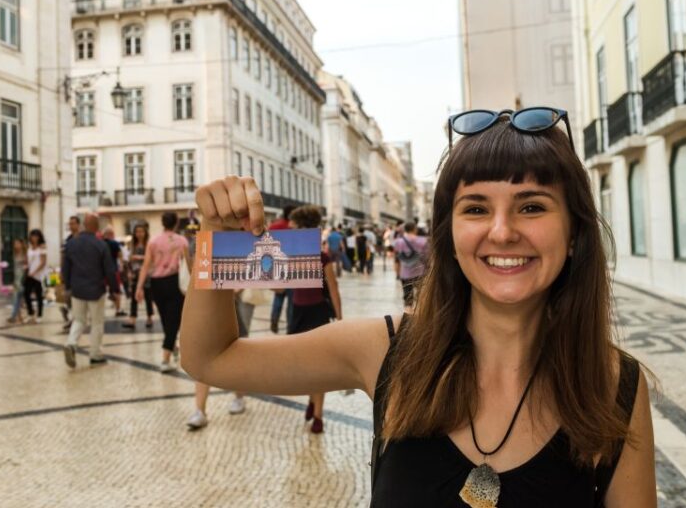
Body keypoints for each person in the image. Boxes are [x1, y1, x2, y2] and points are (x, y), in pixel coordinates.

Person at [181, 109, 655, 507]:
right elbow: (211, 359)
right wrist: (216, 240)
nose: (503, 231)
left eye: (531, 206)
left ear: (573, 233)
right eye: (475, 209)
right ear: (448, 235)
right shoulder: (385, 350)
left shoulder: (614, 385)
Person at [286, 205, 342, 434]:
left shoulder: (321, 257)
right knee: (305, 365)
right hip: (299, 312)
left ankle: (317, 414)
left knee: (318, 367)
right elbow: (278, 287)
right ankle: (312, 401)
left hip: (315, 312)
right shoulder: (293, 255)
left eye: (293, 228)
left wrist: (339, 318)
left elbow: (333, 287)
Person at [186, 291, 255, 430]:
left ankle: (239, 397)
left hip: (230, 304)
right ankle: (200, 410)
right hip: (205, 306)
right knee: (203, 360)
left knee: (236, 357)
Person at [135, 211, 192, 373]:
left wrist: (139, 287)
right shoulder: (182, 241)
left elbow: (146, 265)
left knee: (167, 319)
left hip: (156, 283)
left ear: (162, 223)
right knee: (173, 320)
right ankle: (165, 359)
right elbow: (188, 265)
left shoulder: (153, 241)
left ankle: (171, 346)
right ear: (175, 224)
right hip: (175, 282)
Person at [62, 213, 119, 369]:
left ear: (83, 225)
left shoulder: (71, 244)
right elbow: (109, 270)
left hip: (77, 289)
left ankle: (71, 343)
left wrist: (67, 286)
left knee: (78, 320)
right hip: (96, 290)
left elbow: (66, 268)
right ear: (96, 227)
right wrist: (115, 290)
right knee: (97, 323)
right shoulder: (101, 245)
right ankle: (95, 355)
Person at [268, 205, 294, 334]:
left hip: (277, 266)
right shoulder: (295, 228)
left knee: (278, 296)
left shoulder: (274, 227)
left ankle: (274, 319)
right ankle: (290, 326)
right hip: (292, 268)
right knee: (291, 299)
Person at [124, 221, 154, 329]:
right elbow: (129, 259)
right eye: (137, 232)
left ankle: (149, 317)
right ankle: (132, 318)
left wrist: (138, 257)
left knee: (148, 296)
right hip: (135, 273)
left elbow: (151, 259)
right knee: (133, 297)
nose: (139, 234)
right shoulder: (132, 244)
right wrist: (129, 271)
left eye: (141, 231)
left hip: (147, 273)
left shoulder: (149, 244)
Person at [393, 220, 429, 308]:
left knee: (407, 296)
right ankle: (420, 314)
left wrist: (397, 272)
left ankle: (408, 316)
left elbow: (397, 258)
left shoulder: (399, 242)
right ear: (414, 229)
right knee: (421, 295)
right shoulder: (422, 241)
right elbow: (428, 256)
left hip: (405, 273)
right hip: (420, 271)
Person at [59, 216, 82, 331]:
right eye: (70, 224)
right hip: (70, 273)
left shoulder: (83, 239)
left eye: (73, 223)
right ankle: (71, 317)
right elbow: (63, 256)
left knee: (78, 297)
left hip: (81, 273)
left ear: (78, 225)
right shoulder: (67, 240)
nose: (71, 226)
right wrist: (62, 272)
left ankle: (74, 320)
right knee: (68, 296)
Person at [23, 229, 47, 323]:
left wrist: (35, 272)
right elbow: (27, 260)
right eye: (33, 236)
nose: (34, 238)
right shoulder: (29, 248)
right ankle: (30, 313)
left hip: (38, 275)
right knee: (26, 294)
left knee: (39, 295)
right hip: (29, 274)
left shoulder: (42, 248)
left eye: (36, 236)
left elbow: (43, 262)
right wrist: (26, 267)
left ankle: (40, 315)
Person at [102, 226, 125, 317]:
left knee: (101, 291)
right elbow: (120, 255)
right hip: (113, 269)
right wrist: (121, 265)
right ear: (111, 234)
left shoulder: (100, 243)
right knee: (117, 290)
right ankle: (118, 309)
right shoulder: (114, 243)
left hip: (101, 271)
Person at [6, 238, 27, 324]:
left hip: (22, 278)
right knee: (16, 299)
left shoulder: (25, 254)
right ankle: (16, 316)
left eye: (17, 243)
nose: (16, 245)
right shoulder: (15, 254)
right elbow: (14, 268)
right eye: (15, 244)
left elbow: (27, 266)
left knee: (20, 299)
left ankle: (17, 316)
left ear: (22, 244)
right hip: (16, 278)